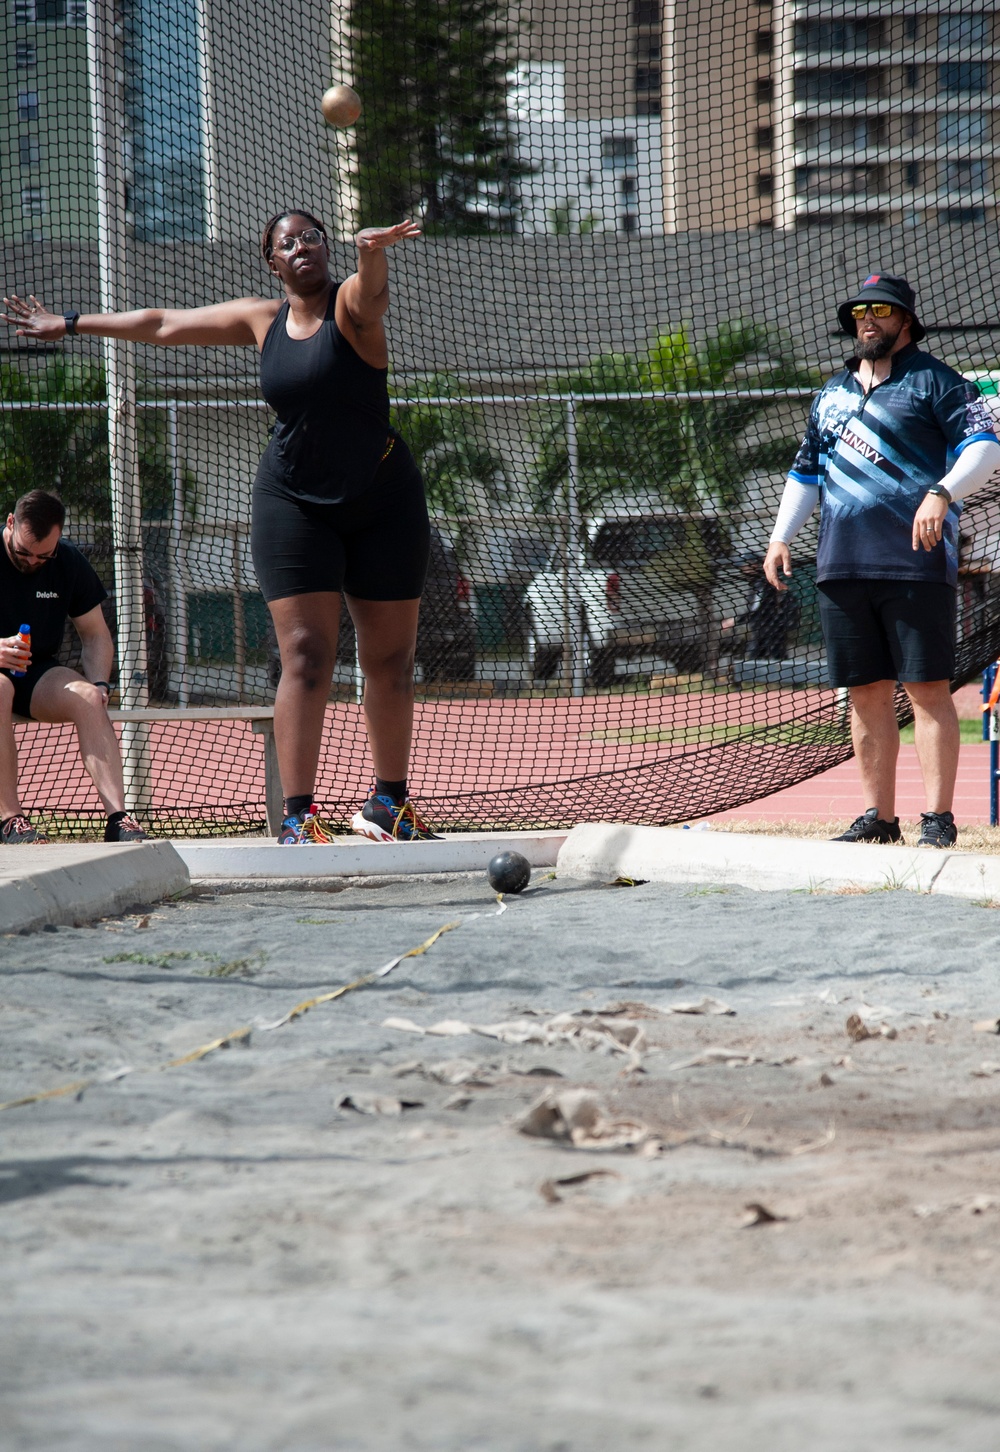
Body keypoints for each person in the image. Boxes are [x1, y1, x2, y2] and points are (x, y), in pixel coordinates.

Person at [4, 211, 440, 845]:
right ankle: (297, 816)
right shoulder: (261, 321)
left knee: (391, 659)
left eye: (312, 236)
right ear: (272, 261)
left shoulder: (347, 306)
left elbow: (371, 295)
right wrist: (69, 323)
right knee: (307, 656)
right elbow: (162, 324)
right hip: (294, 503)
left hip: (384, 499)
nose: (302, 246)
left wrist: (373, 254)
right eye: (287, 242)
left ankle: (389, 804)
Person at [764, 273, 1000, 848]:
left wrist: (942, 492)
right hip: (841, 567)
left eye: (882, 311)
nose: (869, 320)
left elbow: (986, 449)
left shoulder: (939, 384)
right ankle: (880, 818)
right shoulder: (830, 393)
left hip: (916, 565)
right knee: (865, 693)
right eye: (861, 312)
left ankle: (939, 821)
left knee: (926, 690)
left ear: (906, 321)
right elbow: (806, 474)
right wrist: (779, 537)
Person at [0, 489, 148, 844]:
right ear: (10, 524)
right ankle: (9, 819)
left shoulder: (67, 562)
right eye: (23, 552)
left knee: (87, 697)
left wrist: (99, 683)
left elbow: (96, 635)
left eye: (43, 556)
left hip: (37, 674)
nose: (33, 562)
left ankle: (118, 819)